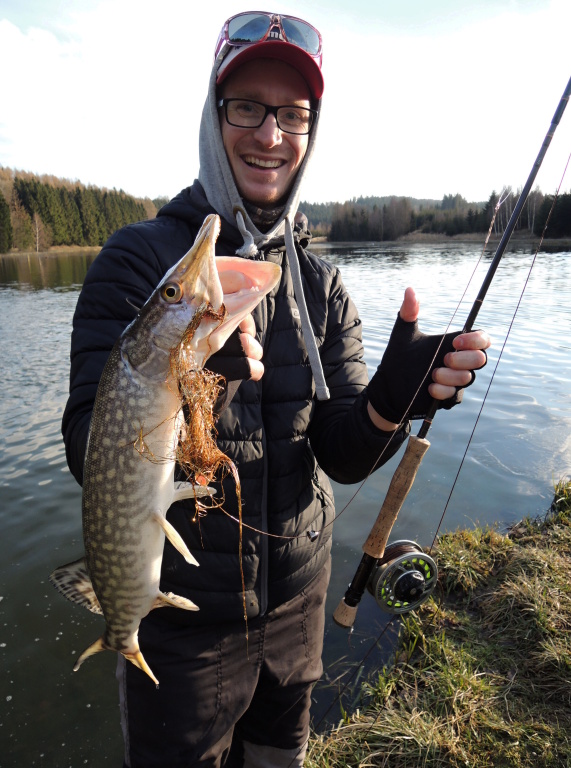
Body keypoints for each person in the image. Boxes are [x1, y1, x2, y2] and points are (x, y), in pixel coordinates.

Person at [62, 11, 490, 768]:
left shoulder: (320, 284)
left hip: (298, 607)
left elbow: (343, 455)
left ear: (310, 131)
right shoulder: (137, 262)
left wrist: (394, 402)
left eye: (293, 114)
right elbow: (85, 446)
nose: (270, 134)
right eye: (247, 108)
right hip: (185, 632)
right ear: (213, 116)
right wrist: (190, 381)